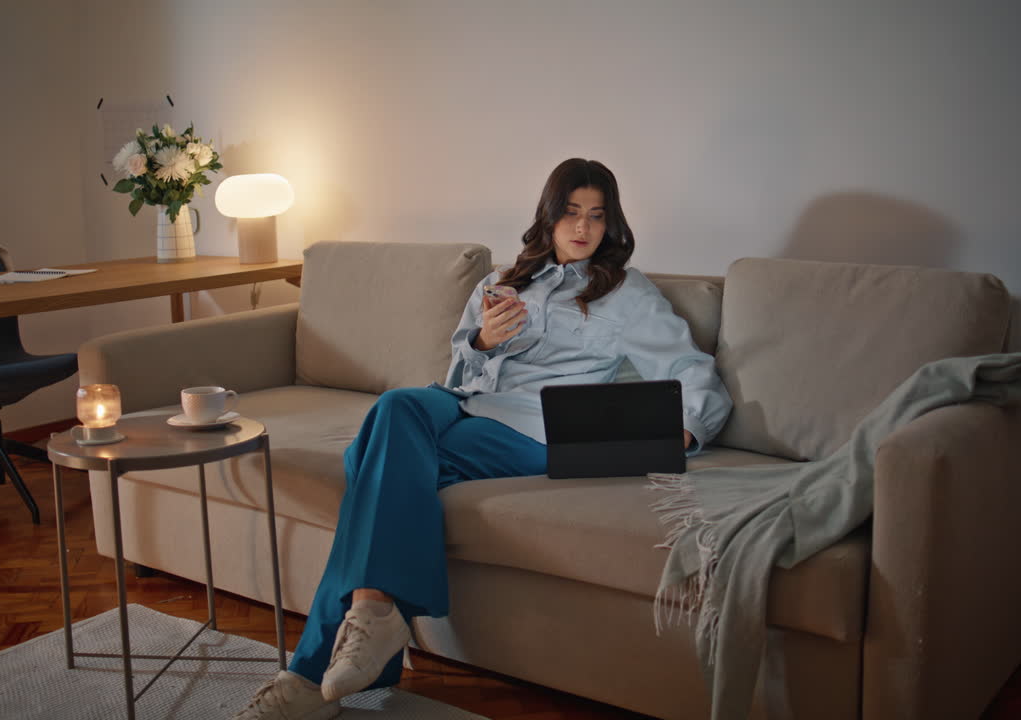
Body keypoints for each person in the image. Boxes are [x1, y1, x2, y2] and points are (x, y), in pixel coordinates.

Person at [233, 158, 731, 720]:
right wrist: (483, 342)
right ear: (548, 217)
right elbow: (460, 373)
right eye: (570, 213)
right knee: (394, 408)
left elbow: (691, 366)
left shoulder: (626, 295)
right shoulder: (501, 281)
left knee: (370, 458)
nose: (582, 228)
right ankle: (374, 623)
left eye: (596, 216)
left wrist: (683, 431)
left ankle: (313, 673)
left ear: (611, 223)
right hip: (467, 405)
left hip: (539, 429)